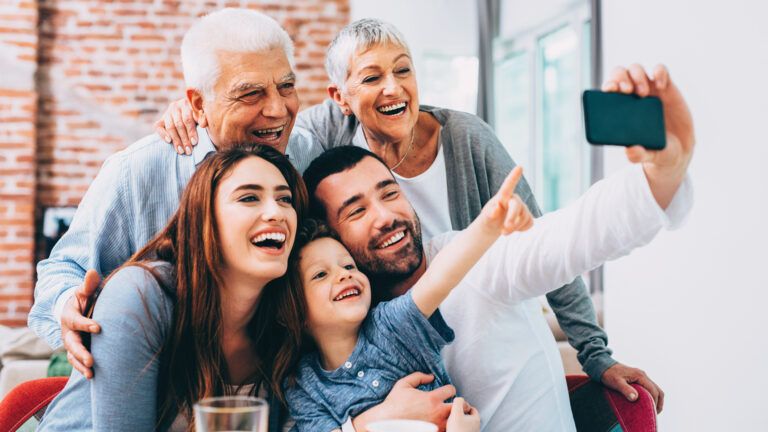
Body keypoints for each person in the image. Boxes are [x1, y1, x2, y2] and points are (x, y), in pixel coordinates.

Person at [156, 18, 666, 408]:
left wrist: (595, 353)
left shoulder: (465, 139)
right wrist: (192, 115)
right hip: (386, 343)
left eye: (403, 70)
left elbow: (547, 245)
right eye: (371, 77)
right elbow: (263, 128)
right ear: (341, 98)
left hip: (479, 317)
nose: (393, 88)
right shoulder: (325, 138)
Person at [296, 97, 693, 431]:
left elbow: (573, 236)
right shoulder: (341, 324)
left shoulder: (470, 262)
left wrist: (663, 172)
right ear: (329, 236)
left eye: (389, 194)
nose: (386, 216)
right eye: (356, 211)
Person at [28, 8, 324, 379]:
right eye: (250, 94)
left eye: (286, 86)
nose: (278, 110)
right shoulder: (136, 171)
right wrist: (69, 304)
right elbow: (62, 270)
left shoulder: (310, 155)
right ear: (198, 104)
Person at [38, 144, 305, 431]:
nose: (276, 212)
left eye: (285, 199)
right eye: (249, 197)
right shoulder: (141, 294)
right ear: (205, 219)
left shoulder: (282, 321)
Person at [280, 166, 531, 431]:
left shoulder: (390, 326)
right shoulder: (303, 383)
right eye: (320, 274)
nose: (343, 275)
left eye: (349, 266)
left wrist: (488, 225)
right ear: (295, 313)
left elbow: (440, 278)